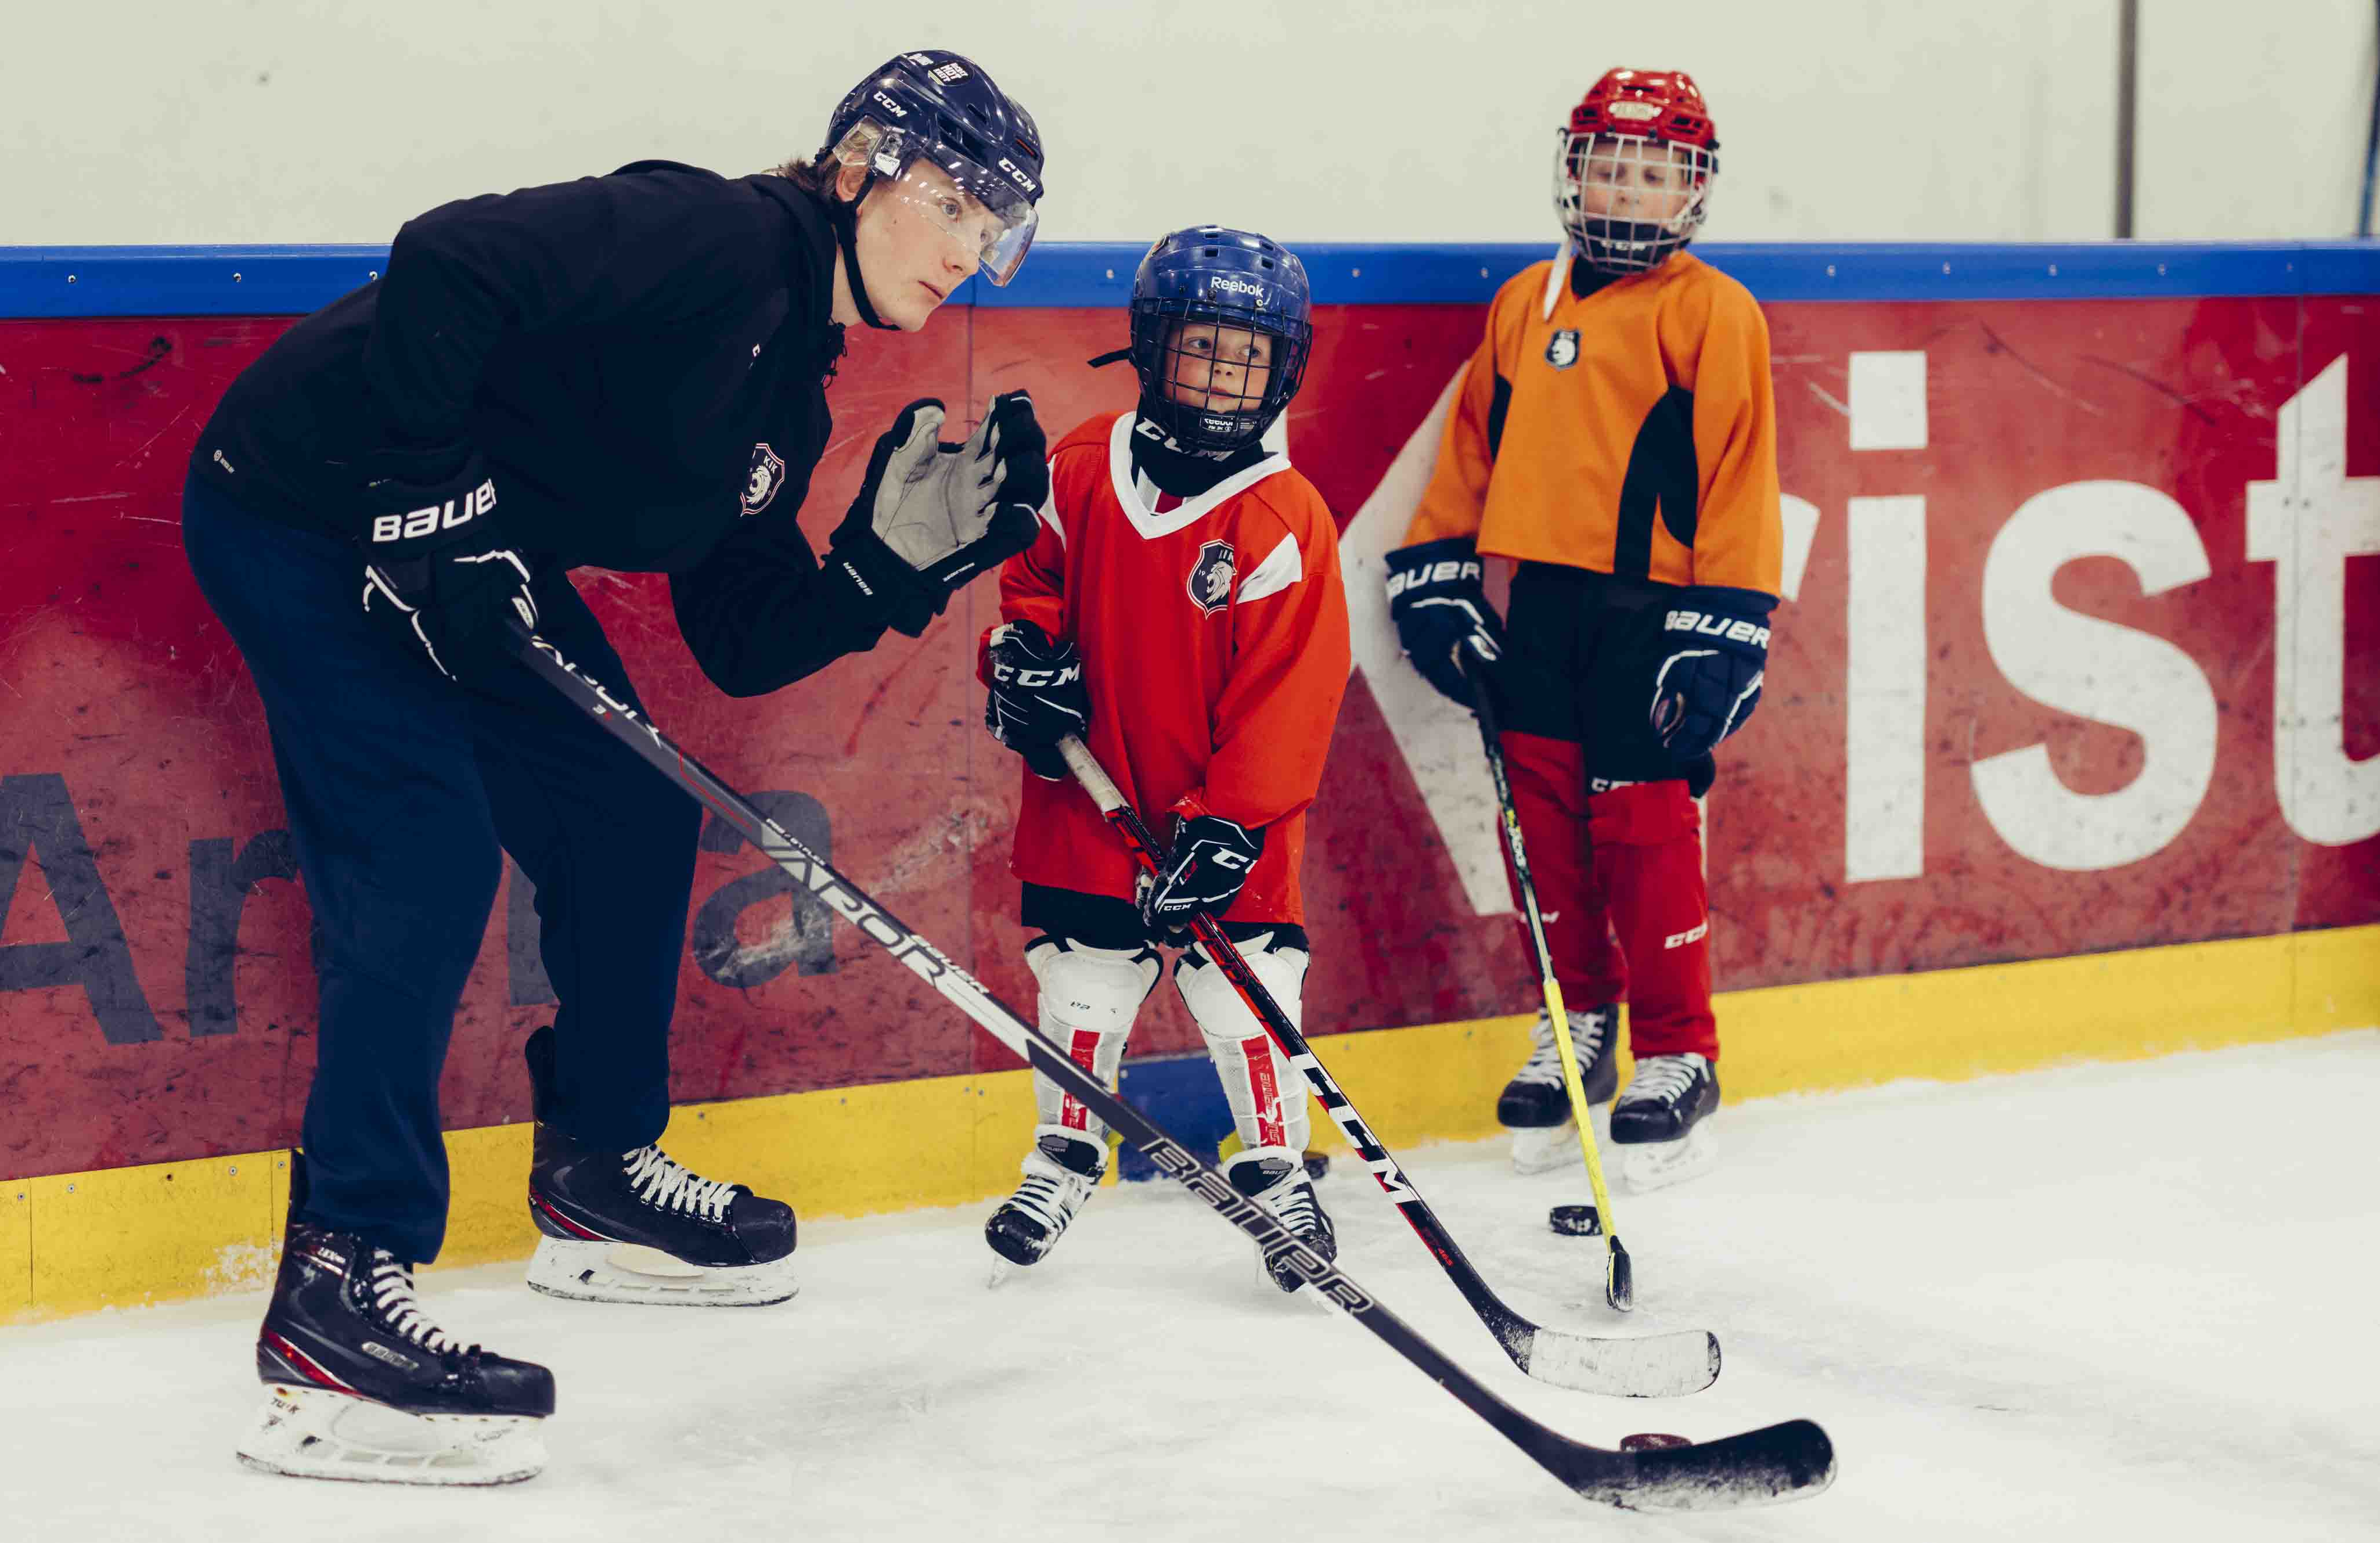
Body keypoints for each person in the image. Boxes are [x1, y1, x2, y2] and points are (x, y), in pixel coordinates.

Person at [187, 50, 1049, 1484]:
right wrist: (429, 509)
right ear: (856, 169)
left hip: (457, 550)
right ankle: (337, 1288)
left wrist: (889, 575)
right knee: (424, 849)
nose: (970, 251)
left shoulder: (787, 402)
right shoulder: (712, 239)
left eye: (995, 226)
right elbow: (450, 259)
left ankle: (593, 1175)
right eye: (951, 202)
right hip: (301, 510)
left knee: (631, 813)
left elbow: (740, 640)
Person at [1384, 68, 1779, 1193]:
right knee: (1543, 832)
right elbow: (1467, 450)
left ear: (1689, 190)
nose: (1629, 187)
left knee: (1642, 837)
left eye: (1654, 172)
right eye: (1612, 164)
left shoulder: (1712, 311)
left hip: (1655, 621)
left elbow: (1740, 478)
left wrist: (1727, 630)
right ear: (1575, 170)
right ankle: (1578, 1028)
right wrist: (1435, 573)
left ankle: (1675, 1053)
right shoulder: (1525, 304)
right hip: (1541, 613)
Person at [977, 227, 1352, 1292]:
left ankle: (1278, 1173)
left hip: (1225, 822)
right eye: (1204, 349)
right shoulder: (1082, 468)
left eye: (1251, 355)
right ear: (1152, 346)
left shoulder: (1285, 517)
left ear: (1287, 366)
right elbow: (1029, 592)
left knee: (1247, 996)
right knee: (1084, 981)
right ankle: (1064, 1153)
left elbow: (1291, 691)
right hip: (1087, 797)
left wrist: (1233, 820)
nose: (1228, 377)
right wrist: (1022, 663)